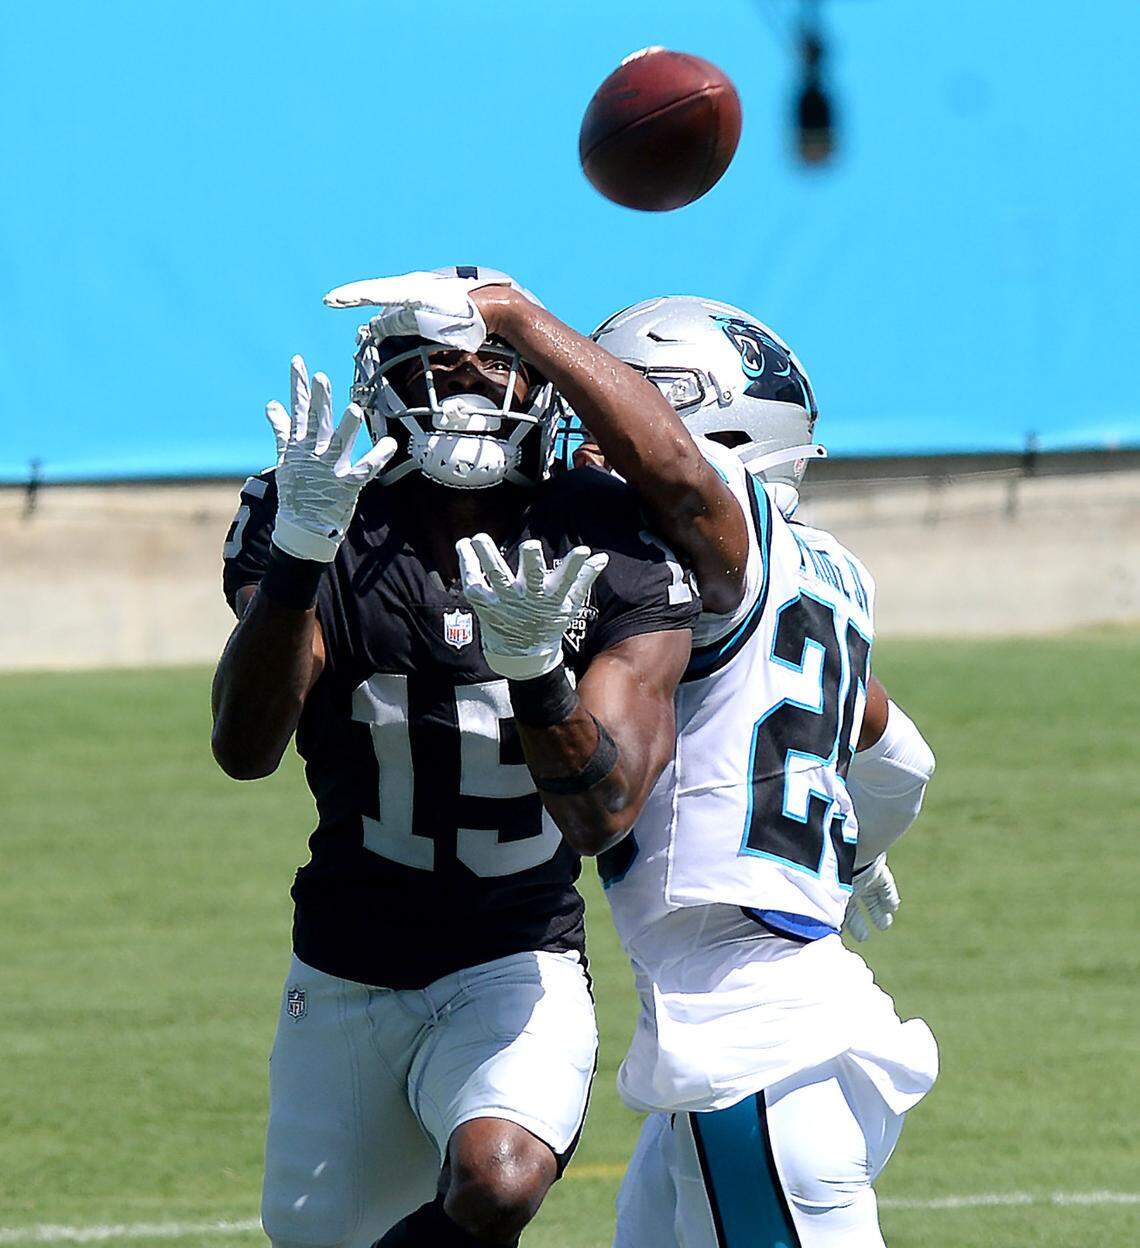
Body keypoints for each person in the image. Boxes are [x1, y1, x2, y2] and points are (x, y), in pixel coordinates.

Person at [210, 266, 711, 1248]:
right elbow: (245, 745)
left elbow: (601, 812)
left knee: (499, 1179)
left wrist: (534, 672)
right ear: (383, 388)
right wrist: (301, 557)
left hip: (515, 960)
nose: (470, 391)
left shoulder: (603, 530)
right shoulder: (320, 508)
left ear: (542, 385)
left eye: (495, 369)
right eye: (437, 368)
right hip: (347, 964)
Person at [561, 295, 938, 1247]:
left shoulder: (715, 555)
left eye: (629, 413)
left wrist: (517, 316)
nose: (598, 446)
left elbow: (680, 479)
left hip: (758, 1052)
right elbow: (904, 760)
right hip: (761, 1039)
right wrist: (849, 852)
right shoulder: (823, 571)